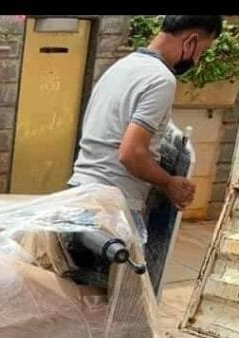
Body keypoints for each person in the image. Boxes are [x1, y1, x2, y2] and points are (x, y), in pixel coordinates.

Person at [68, 15, 223, 240]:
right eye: (202, 50)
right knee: (121, 274)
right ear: (191, 41)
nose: (197, 60)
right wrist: (168, 183)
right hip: (112, 207)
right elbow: (131, 153)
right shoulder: (161, 80)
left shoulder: (122, 66)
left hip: (80, 193)